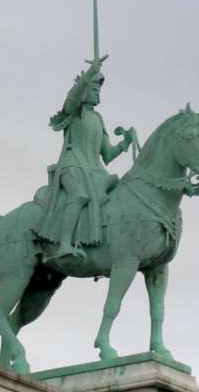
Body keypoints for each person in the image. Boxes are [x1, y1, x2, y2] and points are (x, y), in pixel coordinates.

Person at [39, 59, 133, 259]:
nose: (97, 92)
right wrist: (90, 72)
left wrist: (125, 143)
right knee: (79, 194)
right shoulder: (74, 113)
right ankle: (64, 243)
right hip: (71, 166)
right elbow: (71, 98)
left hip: (95, 170)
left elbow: (107, 154)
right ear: (83, 92)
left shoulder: (98, 119)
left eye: (98, 89)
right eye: (93, 89)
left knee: (117, 191)